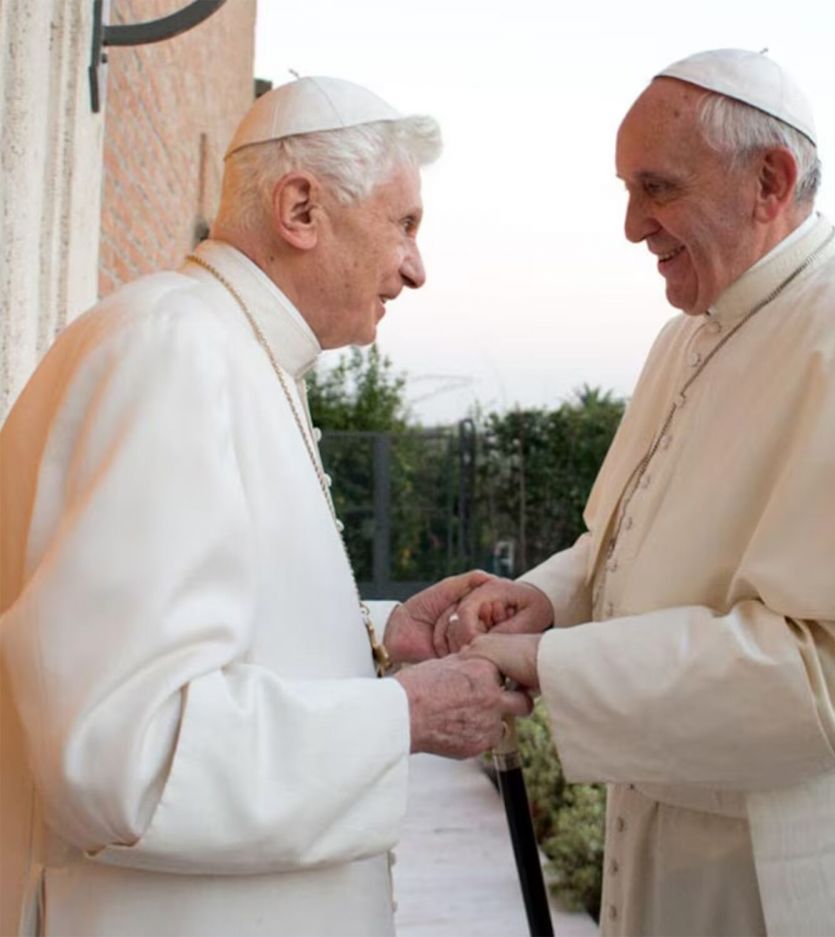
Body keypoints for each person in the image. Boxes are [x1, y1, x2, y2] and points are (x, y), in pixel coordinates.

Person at [441, 49, 835, 937]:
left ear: (768, 181)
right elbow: (632, 541)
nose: (632, 225)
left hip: (827, 857)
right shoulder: (690, 335)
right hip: (692, 832)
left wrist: (553, 665)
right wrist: (545, 599)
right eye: (627, 190)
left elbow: (832, 678)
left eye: (657, 188)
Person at [0, 77, 529, 937]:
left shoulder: (227, 348)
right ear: (301, 209)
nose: (415, 267)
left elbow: (219, 628)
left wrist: (381, 635)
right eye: (404, 223)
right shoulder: (176, 352)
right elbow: (122, 751)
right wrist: (406, 715)